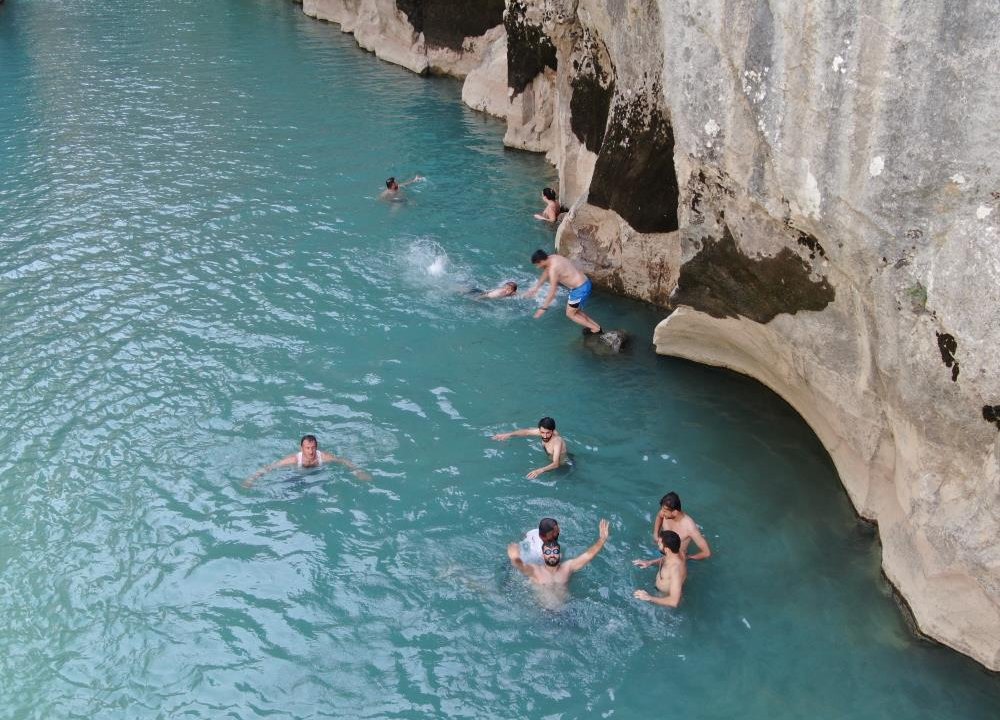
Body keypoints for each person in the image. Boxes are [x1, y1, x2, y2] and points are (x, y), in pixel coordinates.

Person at [508, 519, 610, 607]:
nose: (552, 554)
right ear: (543, 555)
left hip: (565, 611)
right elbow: (521, 566)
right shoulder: (536, 571)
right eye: (548, 552)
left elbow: (588, 555)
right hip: (543, 614)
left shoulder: (567, 568)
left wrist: (602, 539)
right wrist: (515, 558)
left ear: (559, 554)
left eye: (555, 551)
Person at [524, 249, 603, 335]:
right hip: (583, 284)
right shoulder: (553, 258)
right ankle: (596, 327)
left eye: (537, 264)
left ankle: (595, 329)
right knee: (575, 311)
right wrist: (536, 288)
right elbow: (546, 273)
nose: (537, 267)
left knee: (570, 314)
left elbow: (553, 290)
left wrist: (543, 308)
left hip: (580, 289)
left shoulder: (554, 269)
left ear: (541, 261)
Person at [244, 434, 371, 487]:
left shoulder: (324, 457)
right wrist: (251, 479)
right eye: (307, 448)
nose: (310, 451)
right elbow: (269, 467)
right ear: (302, 448)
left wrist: (358, 472)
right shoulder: (294, 459)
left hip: (318, 475)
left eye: (313, 448)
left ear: (317, 447)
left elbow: (343, 461)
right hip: (296, 475)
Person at [491, 417, 567, 479]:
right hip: (550, 461)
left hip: (562, 467)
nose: (545, 436)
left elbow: (556, 464)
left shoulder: (557, 441)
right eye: (542, 432)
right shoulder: (543, 431)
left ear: (552, 431)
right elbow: (527, 432)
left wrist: (540, 470)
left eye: (548, 433)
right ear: (540, 430)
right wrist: (509, 434)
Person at [633, 530, 687, 607]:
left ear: (667, 549)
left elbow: (674, 602)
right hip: (658, 591)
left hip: (665, 600)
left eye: (660, 544)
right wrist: (649, 562)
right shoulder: (677, 552)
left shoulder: (676, 569)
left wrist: (649, 598)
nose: (658, 544)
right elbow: (665, 558)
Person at [651, 492, 711, 561]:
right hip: (661, 550)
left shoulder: (689, 527)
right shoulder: (664, 514)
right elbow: (659, 517)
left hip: (677, 559)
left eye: (664, 511)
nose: (662, 512)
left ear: (675, 512)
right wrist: (655, 534)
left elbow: (706, 553)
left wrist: (688, 558)